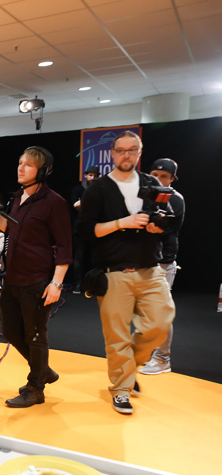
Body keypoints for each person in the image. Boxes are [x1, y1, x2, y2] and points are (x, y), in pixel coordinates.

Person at [77, 131, 175, 414]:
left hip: (150, 268)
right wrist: (123, 222)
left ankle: (129, 367)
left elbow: (164, 219)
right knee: (117, 337)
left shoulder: (152, 183)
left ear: (139, 152)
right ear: (112, 154)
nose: (126, 155)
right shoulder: (97, 189)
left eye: (132, 150)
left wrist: (158, 226)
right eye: (121, 150)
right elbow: (85, 231)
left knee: (160, 323)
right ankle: (121, 388)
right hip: (113, 272)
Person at [0, 146, 71, 408]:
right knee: (10, 331)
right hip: (13, 278)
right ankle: (42, 370)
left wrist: (57, 283)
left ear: (42, 170)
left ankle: (35, 387)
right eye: (20, 163)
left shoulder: (55, 202)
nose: (21, 168)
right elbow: (10, 228)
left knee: (35, 335)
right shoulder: (17, 197)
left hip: (39, 280)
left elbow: (65, 246)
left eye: (28, 165)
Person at [139, 158, 185, 375]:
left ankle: (162, 358)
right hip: (143, 261)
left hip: (163, 264)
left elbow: (161, 227)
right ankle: (150, 351)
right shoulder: (144, 195)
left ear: (172, 179)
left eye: (164, 176)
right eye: (155, 173)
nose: (158, 178)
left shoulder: (175, 199)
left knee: (160, 312)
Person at [69, 165, 100, 292]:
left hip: (95, 228)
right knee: (79, 257)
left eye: (95, 175)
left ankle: (93, 284)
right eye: (90, 175)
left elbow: (101, 208)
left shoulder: (100, 190)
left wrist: (84, 203)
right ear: (86, 175)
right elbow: (75, 205)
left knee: (95, 257)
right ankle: (77, 283)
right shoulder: (78, 189)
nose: (93, 178)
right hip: (80, 228)